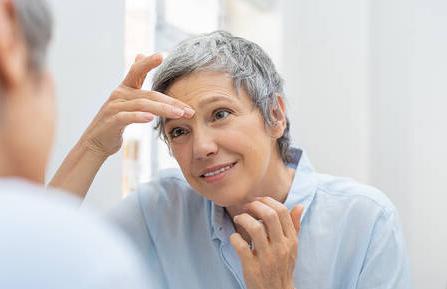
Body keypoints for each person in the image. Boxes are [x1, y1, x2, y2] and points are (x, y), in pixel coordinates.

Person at [51, 32, 412, 288]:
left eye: (220, 114)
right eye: (179, 131)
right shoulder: (161, 210)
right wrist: (93, 147)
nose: (202, 147)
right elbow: (33, 261)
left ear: (275, 115)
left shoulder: (366, 222)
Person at [0, 1, 151, 288]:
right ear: (8, 41)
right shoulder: (87, 261)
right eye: (179, 131)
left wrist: (94, 146)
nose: (203, 147)